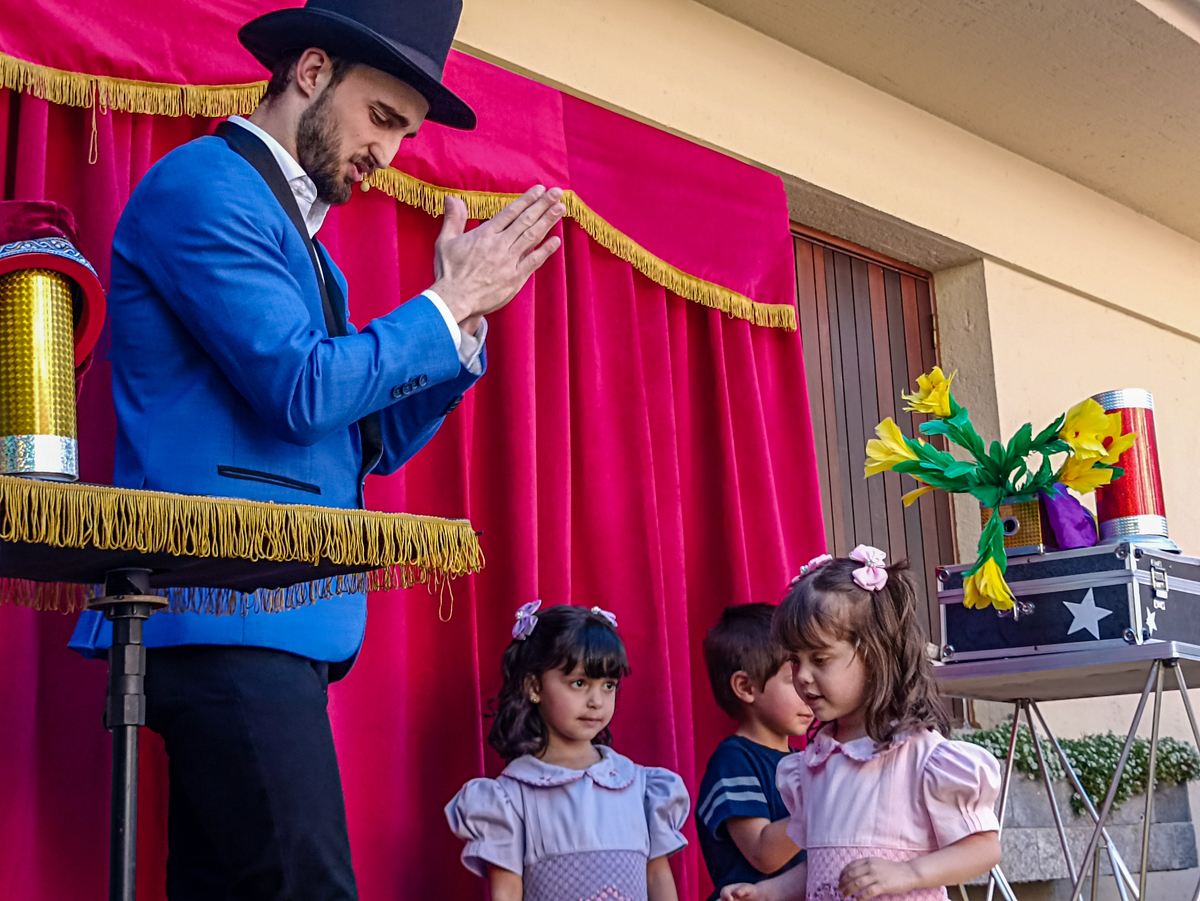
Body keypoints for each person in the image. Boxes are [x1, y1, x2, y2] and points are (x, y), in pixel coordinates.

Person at [67, 1, 566, 898]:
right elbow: (303, 392)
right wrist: (442, 309)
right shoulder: (205, 188)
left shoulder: (310, 250)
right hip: (223, 609)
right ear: (309, 72)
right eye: (382, 119)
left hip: (267, 619)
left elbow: (364, 437)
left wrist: (465, 327)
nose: (390, 154)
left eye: (406, 135)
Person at [721, 548, 1002, 901]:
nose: (802, 677)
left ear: (874, 655)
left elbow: (984, 848)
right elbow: (823, 865)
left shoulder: (925, 759)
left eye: (820, 659)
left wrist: (908, 873)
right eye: (794, 660)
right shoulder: (813, 765)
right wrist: (768, 892)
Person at [446, 602, 690, 901]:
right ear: (534, 687)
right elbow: (506, 893)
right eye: (579, 683)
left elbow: (658, 878)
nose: (597, 701)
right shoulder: (510, 799)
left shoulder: (642, 788)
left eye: (608, 685)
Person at [696, 604, 813, 899]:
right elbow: (763, 852)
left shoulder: (808, 758)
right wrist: (827, 801)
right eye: (793, 679)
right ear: (746, 687)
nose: (809, 688)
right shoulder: (734, 761)